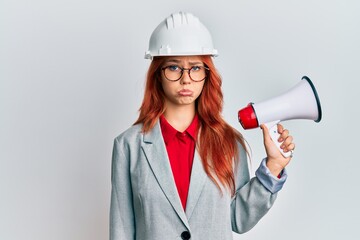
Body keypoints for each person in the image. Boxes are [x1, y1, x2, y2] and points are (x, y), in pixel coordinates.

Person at [110, 12, 295, 240]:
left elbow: (237, 219)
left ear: (207, 74)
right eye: (174, 67)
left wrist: (274, 166)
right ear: (157, 74)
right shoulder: (128, 146)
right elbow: (122, 230)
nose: (186, 78)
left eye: (196, 68)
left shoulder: (228, 142)